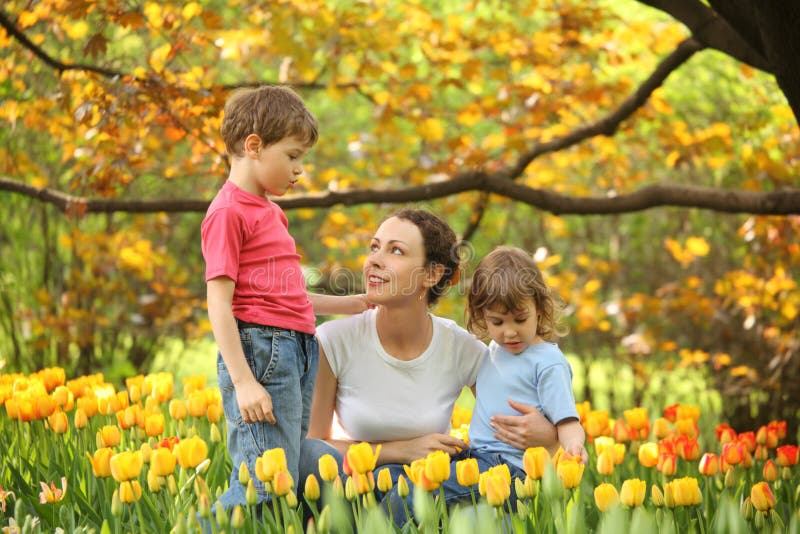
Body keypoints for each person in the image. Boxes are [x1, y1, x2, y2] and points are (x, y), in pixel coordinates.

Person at [299, 211, 559, 503]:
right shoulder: (334, 340)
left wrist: (548, 435)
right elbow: (313, 449)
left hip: (424, 494)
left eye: (395, 250)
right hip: (354, 491)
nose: (374, 259)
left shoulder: (461, 348)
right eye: (374, 247)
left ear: (432, 274)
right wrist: (399, 451)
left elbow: (512, 418)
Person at [201, 85, 367, 509]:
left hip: (296, 348)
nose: (299, 170)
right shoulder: (228, 212)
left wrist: (349, 304)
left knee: (287, 475)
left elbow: (287, 296)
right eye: (292, 156)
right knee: (264, 482)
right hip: (262, 351)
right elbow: (219, 303)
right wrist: (243, 382)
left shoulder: (270, 210)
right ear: (254, 146)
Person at [380, 245, 585, 524]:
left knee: (415, 493)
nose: (509, 331)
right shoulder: (492, 350)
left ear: (539, 307)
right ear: (481, 315)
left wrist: (574, 449)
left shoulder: (547, 361)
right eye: (497, 321)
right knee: (393, 475)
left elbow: (568, 421)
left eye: (520, 319)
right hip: (476, 457)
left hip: (512, 470)